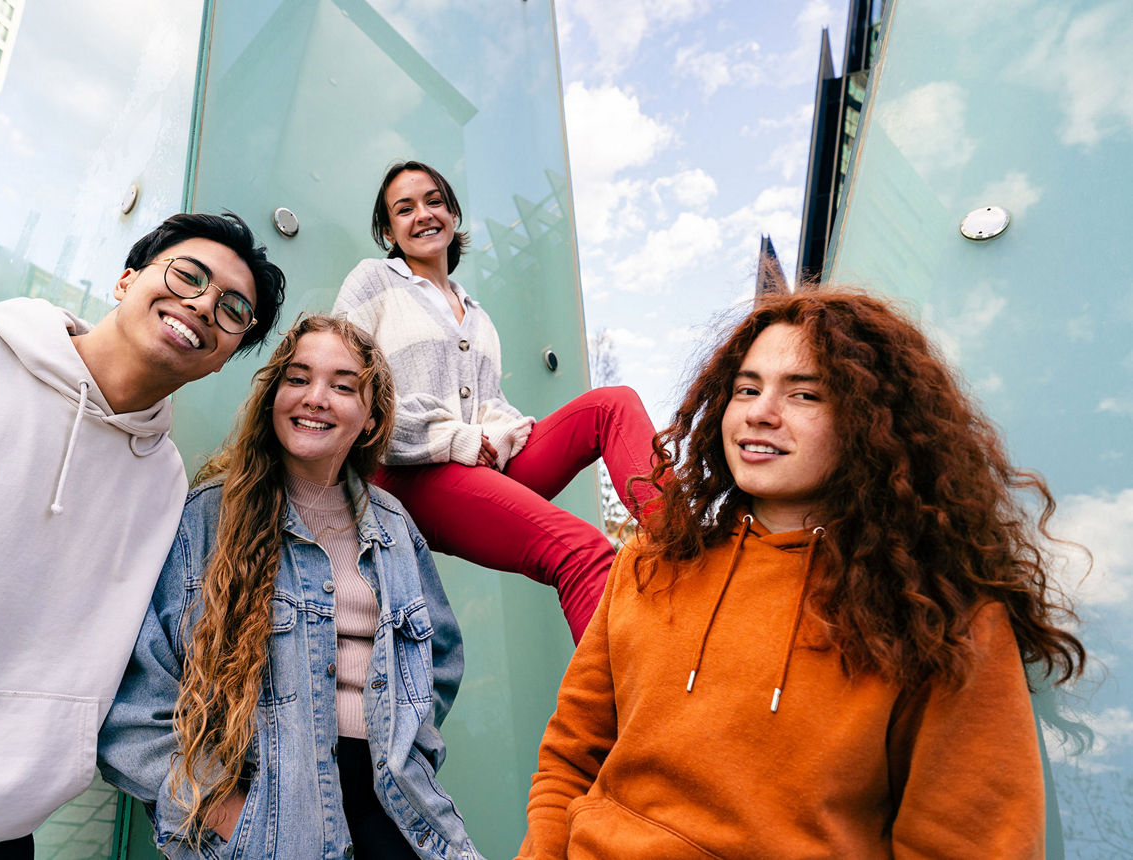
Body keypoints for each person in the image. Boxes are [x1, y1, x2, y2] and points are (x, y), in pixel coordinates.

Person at [516, 289, 1087, 859]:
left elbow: (970, 844)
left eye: (805, 393)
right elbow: (569, 759)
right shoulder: (649, 563)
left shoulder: (941, 614)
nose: (760, 412)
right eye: (747, 388)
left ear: (872, 420)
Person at [0, 212, 286, 859]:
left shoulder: (165, 482)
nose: (201, 304)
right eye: (188, 275)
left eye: (232, 309)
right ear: (125, 279)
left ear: (225, 357)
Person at [97, 316, 482, 860]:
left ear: (370, 419)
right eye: (298, 379)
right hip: (269, 819)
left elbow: (438, 662)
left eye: (344, 386)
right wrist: (226, 811)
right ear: (274, 395)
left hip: (400, 811)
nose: (316, 398)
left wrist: (408, 749)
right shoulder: (210, 516)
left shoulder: (394, 526)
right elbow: (137, 707)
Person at [333, 160, 658, 642]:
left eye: (434, 201)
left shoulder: (479, 316)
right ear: (389, 231)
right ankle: (622, 711)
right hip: (406, 473)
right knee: (583, 552)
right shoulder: (374, 282)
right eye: (405, 209)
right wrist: (454, 438)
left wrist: (500, 433)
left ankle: (689, 553)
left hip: (479, 467)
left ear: (453, 214)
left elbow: (492, 407)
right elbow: (343, 387)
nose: (422, 214)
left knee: (613, 404)